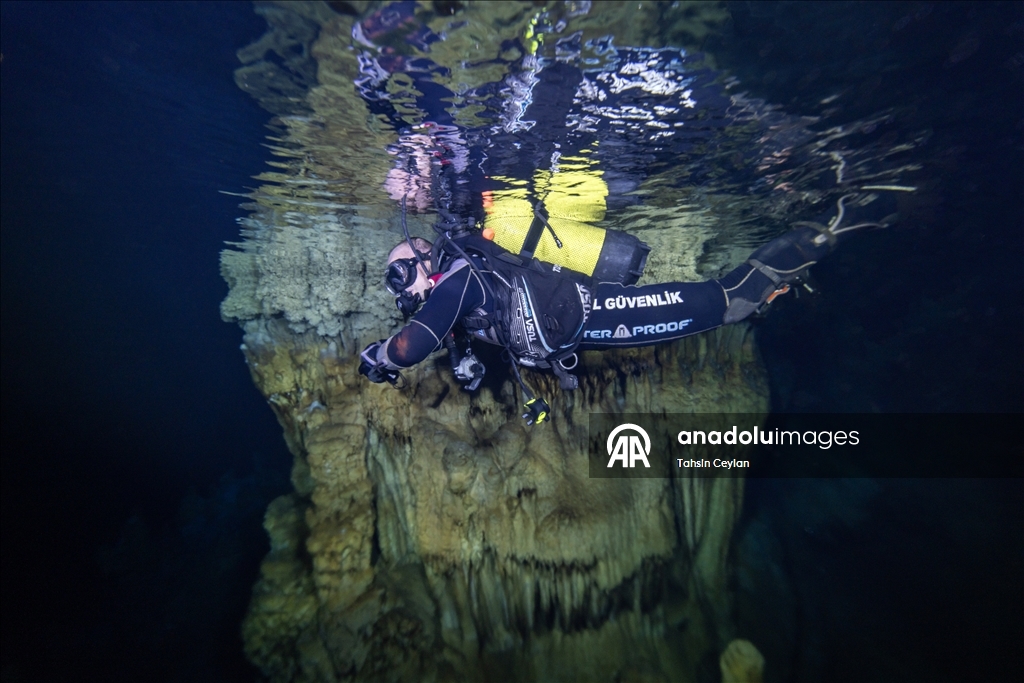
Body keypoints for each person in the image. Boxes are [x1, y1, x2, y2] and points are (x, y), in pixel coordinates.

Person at [359, 190, 896, 424]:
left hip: (598, 311)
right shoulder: (457, 292)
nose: (400, 291)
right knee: (729, 307)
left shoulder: (458, 278)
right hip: (581, 330)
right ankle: (794, 268)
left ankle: (836, 224)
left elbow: (412, 345)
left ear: (423, 261)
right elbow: (454, 336)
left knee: (728, 301)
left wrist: (381, 356)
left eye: (399, 274)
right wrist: (464, 361)